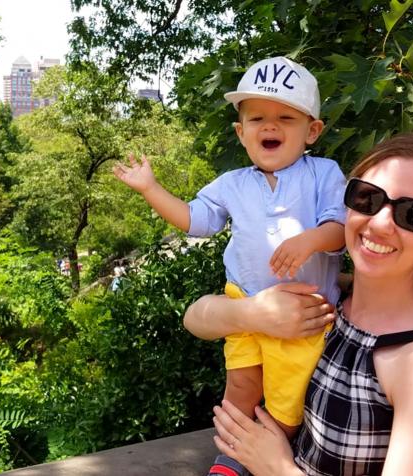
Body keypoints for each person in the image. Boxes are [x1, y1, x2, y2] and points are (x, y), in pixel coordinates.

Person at [185, 133, 413, 475]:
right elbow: (195, 318)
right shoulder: (336, 301)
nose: (379, 223)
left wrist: (276, 467)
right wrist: (250, 313)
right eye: (367, 197)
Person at [114, 56, 347, 475]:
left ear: (312, 131)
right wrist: (151, 189)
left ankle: (270, 453)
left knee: (287, 395)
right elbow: (196, 220)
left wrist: (311, 239)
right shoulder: (232, 184)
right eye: (257, 118)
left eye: (285, 118)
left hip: (304, 314)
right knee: (240, 384)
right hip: (244, 305)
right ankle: (229, 460)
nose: (269, 126)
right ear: (241, 133)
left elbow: (342, 226)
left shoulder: (323, 173)